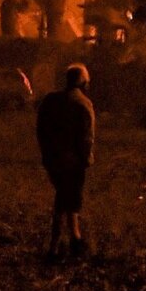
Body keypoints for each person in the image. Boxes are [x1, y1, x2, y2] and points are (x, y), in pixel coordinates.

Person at [35, 62, 96, 260]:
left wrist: (46, 153)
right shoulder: (83, 104)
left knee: (65, 197)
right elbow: (86, 137)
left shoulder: (50, 101)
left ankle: (72, 239)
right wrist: (86, 158)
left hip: (53, 160)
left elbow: (41, 129)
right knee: (68, 199)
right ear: (83, 82)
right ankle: (60, 244)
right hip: (73, 162)